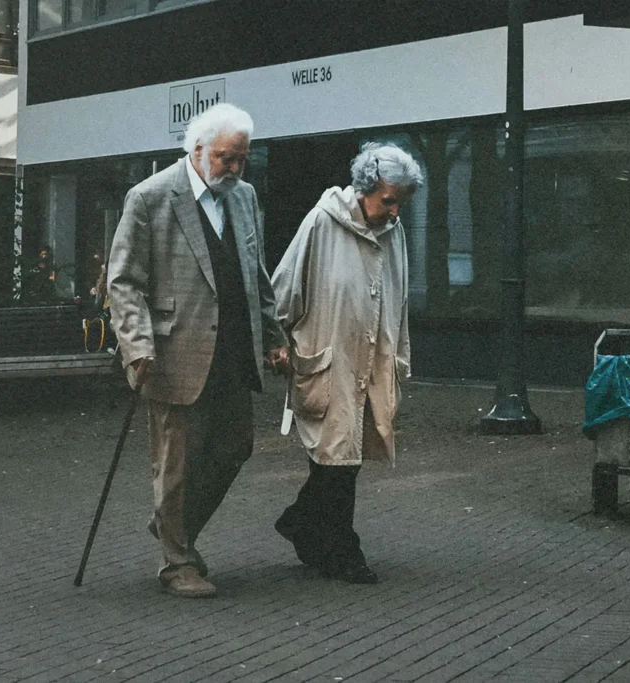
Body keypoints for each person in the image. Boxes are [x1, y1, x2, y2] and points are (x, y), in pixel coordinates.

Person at [107, 103, 288, 598]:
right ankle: (177, 563)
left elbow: (256, 272)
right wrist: (137, 345)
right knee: (177, 463)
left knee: (235, 448)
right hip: (172, 353)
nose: (234, 169)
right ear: (198, 149)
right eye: (226, 158)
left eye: (241, 160)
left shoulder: (245, 196)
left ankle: (171, 524)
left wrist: (273, 337)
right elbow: (122, 281)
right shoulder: (150, 197)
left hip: (233, 349)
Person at [271, 142, 421, 584]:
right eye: (388, 200)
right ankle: (342, 550)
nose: (394, 212)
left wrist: (401, 354)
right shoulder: (322, 222)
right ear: (365, 188)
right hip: (329, 353)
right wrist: (276, 338)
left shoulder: (395, 234)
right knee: (337, 455)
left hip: (373, 358)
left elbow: (402, 297)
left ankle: (302, 524)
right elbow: (285, 284)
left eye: (401, 203)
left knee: (346, 455)